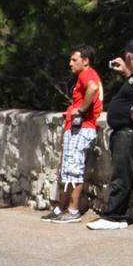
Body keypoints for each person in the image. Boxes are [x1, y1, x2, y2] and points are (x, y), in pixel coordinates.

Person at [88, 40, 133, 230]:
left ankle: (115, 216)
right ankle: (117, 215)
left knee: (121, 175)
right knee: (121, 173)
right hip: (124, 132)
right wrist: (126, 73)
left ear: (129, 57)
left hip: (130, 134)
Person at [45, 45, 104, 223]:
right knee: (69, 171)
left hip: (82, 128)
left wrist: (81, 109)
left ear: (85, 61)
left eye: (74, 60)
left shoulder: (87, 74)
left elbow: (92, 88)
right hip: (79, 128)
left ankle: (72, 210)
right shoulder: (87, 75)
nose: (70, 63)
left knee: (74, 171)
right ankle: (62, 208)